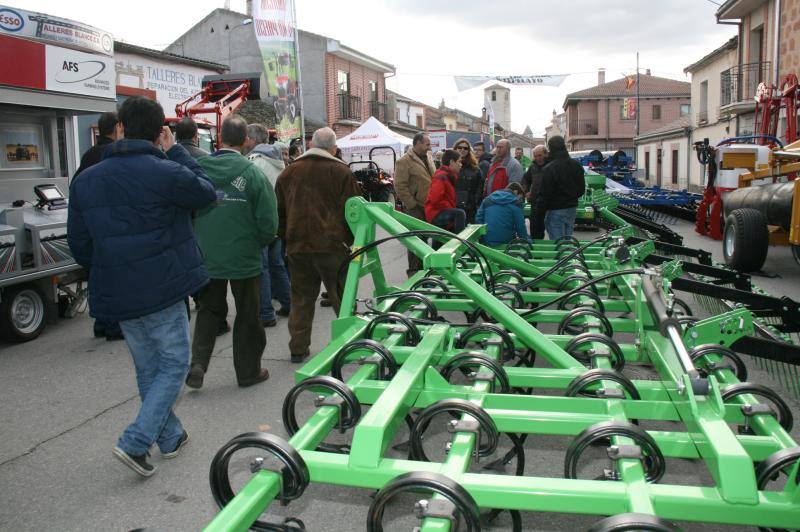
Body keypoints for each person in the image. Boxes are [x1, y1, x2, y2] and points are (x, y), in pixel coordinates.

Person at [67, 96, 216, 477]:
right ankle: (136, 442)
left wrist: (112, 264)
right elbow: (206, 193)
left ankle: (170, 437)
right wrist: (176, 152)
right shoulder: (163, 170)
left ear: (120, 127)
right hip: (163, 285)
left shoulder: (85, 179)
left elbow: (80, 245)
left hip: (119, 289)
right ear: (158, 132)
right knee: (173, 364)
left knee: (150, 367)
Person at [187, 116, 278, 389]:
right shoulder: (252, 173)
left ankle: (198, 363)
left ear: (219, 138)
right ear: (245, 141)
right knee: (248, 315)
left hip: (207, 254)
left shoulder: (199, 170)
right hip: (244, 254)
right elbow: (268, 221)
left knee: (208, 311)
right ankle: (248, 372)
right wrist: (259, 242)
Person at [275, 127, 362, 363]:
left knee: (301, 299)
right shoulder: (341, 171)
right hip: (332, 245)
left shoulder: (288, 173)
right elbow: (353, 211)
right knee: (342, 297)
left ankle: (298, 348)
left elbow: (280, 213)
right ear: (333, 148)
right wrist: (352, 241)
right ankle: (350, 344)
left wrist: (285, 239)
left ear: (312, 144)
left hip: (298, 246)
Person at [73, 111, 125, 341]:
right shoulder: (112, 155)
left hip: (92, 225)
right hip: (112, 225)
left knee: (98, 276)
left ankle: (101, 323)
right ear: (117, 129)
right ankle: (113, 325)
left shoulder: (89, 155)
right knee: (115, 278)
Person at [246, 123, 291, 326]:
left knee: (262, 268)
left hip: (261, 222)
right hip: (278, 220)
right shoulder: (279, 162)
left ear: (253, 140)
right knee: (278, 265)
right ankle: (289, 303)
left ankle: (265, 312)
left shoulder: (255, 163)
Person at [394, 133, 435, 276]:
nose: (429, 147)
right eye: (427, 144)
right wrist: (412, 204)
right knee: (415, 239)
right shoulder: (404, 161)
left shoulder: (428, 157)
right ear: (417, 143)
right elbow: (399, 186)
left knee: (425, 238)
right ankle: (413, 271)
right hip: (415, 208)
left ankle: (424, 269)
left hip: (429, 205)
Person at [539, 135, 586, 240]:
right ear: (563, 146)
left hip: (555, 209)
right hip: (571, 208)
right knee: (567, 242)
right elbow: (581, 190)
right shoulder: (577, 165)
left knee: (558, 245)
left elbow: (545, 194)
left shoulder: (550, 168)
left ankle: (563, 256)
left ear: (550, 148)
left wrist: (539, 212)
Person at [425, 149, 466, 237]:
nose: (461, 165)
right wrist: (449, 208)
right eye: (459, 162)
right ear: (451, 162)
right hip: (435, 214)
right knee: (460, 214)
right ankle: (461, 242)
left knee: (439, 242)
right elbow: (435, 199)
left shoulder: (448, 176)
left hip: (438, 212)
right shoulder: (441, 176)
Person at [475, 182, 531, 246]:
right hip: (506, 241)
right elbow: (520, 226)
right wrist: (527, 240)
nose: (520, 200)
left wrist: (483, 238)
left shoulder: (487, 200)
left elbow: (478, 219)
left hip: (487, 241)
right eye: (520, 197)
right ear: (516, 192)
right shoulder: (515, 203)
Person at [452, 139, 484, 224]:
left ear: (468, 151)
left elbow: (480, 186)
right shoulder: (449, 166)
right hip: (453, 206)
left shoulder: (475, 168)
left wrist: (475, 201)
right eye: (460, 147)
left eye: (465, 148)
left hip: (470, 207)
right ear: (455, 148)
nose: (462, 150)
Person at [521, 144, 549, 240]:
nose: (538, 158)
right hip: (535, 203)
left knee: (553, 231)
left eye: (540, 155)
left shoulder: (551, 165)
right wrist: (526, 191)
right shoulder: (533, 167)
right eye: (536, 156)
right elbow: (525, 179)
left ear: (545, 154)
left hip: (550, 204)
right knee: (535, 231)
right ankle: (537, 253)